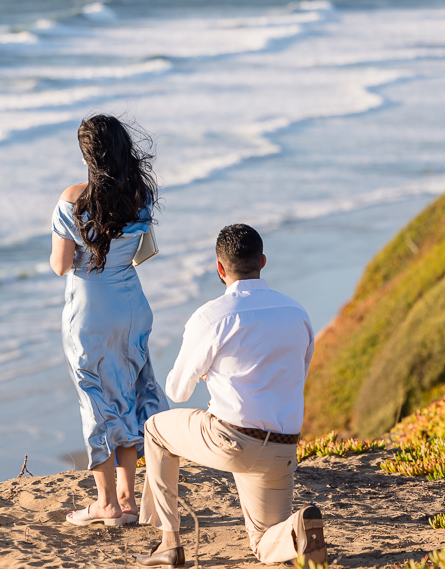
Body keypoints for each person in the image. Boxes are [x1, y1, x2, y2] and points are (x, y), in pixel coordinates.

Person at [136, 224, 326, 567]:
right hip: (282, 446)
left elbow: (178, 391)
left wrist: (212, 373)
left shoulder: (212, 317)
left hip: (231, 441)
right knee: (263, 543)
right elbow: (296, 375)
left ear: (220, 268)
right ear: (263, 261)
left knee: (155, 429)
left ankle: (169, 543)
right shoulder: (297, 313)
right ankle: (298, 528)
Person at [50, 113, 168, 527]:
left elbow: (62, 265)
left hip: (91, 310)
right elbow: (138, 251)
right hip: (131, 303)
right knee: (130, 393)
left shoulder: (72, 199)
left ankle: (106, 505)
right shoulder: (140, 195)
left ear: (87, 154)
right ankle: (128, 499)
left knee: (96, 399)